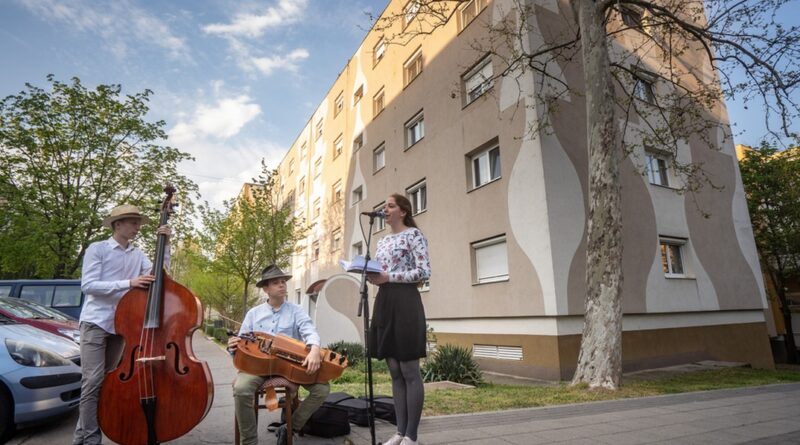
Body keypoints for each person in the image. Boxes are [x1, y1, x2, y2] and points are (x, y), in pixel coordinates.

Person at [73, 204, 171, 445]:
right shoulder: (98, 249)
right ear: (118, 224)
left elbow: (159, 274)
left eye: (138, 223)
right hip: (95, 322)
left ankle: (80, 436)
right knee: (92, 381)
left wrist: (166, 244)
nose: (138, 227)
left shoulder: (137, 254)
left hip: (121, 326)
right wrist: (128, 283)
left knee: (107, 382)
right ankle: (91, 440)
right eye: (133, 223)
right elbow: (88, 285)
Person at [228, 264, 330, 445]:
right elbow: (241, 345)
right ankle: (249, 442)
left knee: (322, 389)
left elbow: (309, 330)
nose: (282, 285)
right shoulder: (254, 314)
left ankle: (290, 428)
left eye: (283, 281)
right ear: (266, 289)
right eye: (276, 283)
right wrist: (232, 346)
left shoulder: (296, 310)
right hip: (257, 367)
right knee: (241, 389)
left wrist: (315, 349)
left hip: (288, 368)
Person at [367, 193, 431, 445]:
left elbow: (424, 271)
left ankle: (411, 436)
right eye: (384, 206)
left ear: (403, 211)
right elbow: (381, 272)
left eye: (390, 206)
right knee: (394, 369)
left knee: (409, 369)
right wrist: (372, 275)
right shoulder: (382, 241)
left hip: (406, 302)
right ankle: (399, 432)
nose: (385, 209)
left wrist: (389, 277)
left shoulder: (414, 235)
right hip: (384, 301)